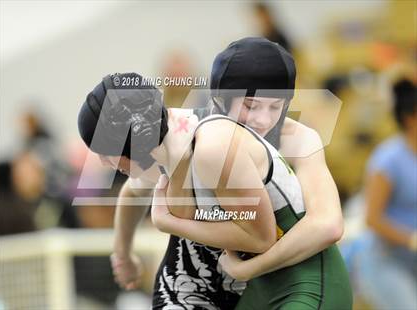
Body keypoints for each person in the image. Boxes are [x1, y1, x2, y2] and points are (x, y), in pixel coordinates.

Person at [151, 38, 352, 309]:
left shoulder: (299, 139)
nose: (263, 120)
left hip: (301, 282)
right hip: (249, 290)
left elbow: (328, 225)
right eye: (250, 105)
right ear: (220, 101)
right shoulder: (198, 131)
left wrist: (250, 268)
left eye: (276, 106)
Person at [78, 72, 279, 309]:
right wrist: (123, 256)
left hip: (274, 268)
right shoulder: (160, 142)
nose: (102, 162)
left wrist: (171, 223)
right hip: (241, 267)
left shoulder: (210, 148)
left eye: (103, 151)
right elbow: (132, 193)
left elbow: (261, 237)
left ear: (130, 141)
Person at [354, 78, 417, 309]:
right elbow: (372, 219)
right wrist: (411, 239)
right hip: (387, 262)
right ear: (410, 118)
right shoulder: (387, 160)